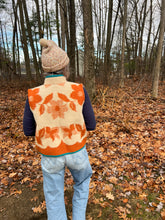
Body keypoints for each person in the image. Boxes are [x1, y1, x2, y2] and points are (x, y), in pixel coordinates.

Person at [23, 38, 96, 220]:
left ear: (45, 70)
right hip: (77, 150)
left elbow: (28, 130)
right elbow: (92, 124)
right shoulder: (78, 89)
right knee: (82, 181)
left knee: (53, 195)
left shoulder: (33, 94)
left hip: (50, 153)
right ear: (65, 68)